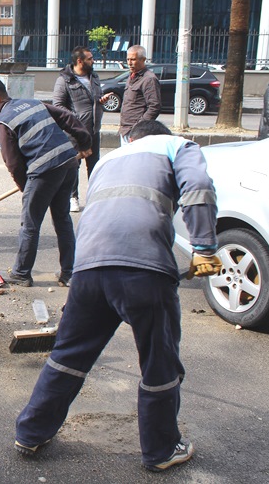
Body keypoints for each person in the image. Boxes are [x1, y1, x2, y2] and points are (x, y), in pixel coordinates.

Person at [14, 120, 222, 473]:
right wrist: (203, 246)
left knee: (69, 354)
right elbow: (199, 186)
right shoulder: (177, 147)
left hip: (88, 269)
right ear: (163, 135)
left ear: (131, 138)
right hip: (144, 270)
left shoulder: (109, 160)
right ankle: (161, 450)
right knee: (159, 361)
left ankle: (30, 432)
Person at [0, 77, 92, 287]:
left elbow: (12, 163)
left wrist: (25, 187)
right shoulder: (33, 103)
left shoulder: (3, 123)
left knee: (30, 225)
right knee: (63, 219)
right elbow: (67, 117)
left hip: (45, 171)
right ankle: (69, 273)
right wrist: (84, 141)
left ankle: (21, 273)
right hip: (68, 163)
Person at [53, 46, 111, 212]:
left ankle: (94, 197)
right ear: (80, 61)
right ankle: (73, 197)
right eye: (90, 58)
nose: (93, 61)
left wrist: (101, 101)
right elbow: (58, 105)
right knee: (73, 166)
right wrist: (75, 120)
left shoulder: (94, 77)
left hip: (93, 131)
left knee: (94, 166)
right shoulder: (64, 80)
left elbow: (94, 99)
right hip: (74, 133)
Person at [119, 45, 161, 145]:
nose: (129, 63)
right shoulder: (132, 76)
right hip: (125, 130)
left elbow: (154, 107)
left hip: (136, 133)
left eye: (133, 59)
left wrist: (139, 127)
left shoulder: (149, 79)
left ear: (143, 60)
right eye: (128, 59)